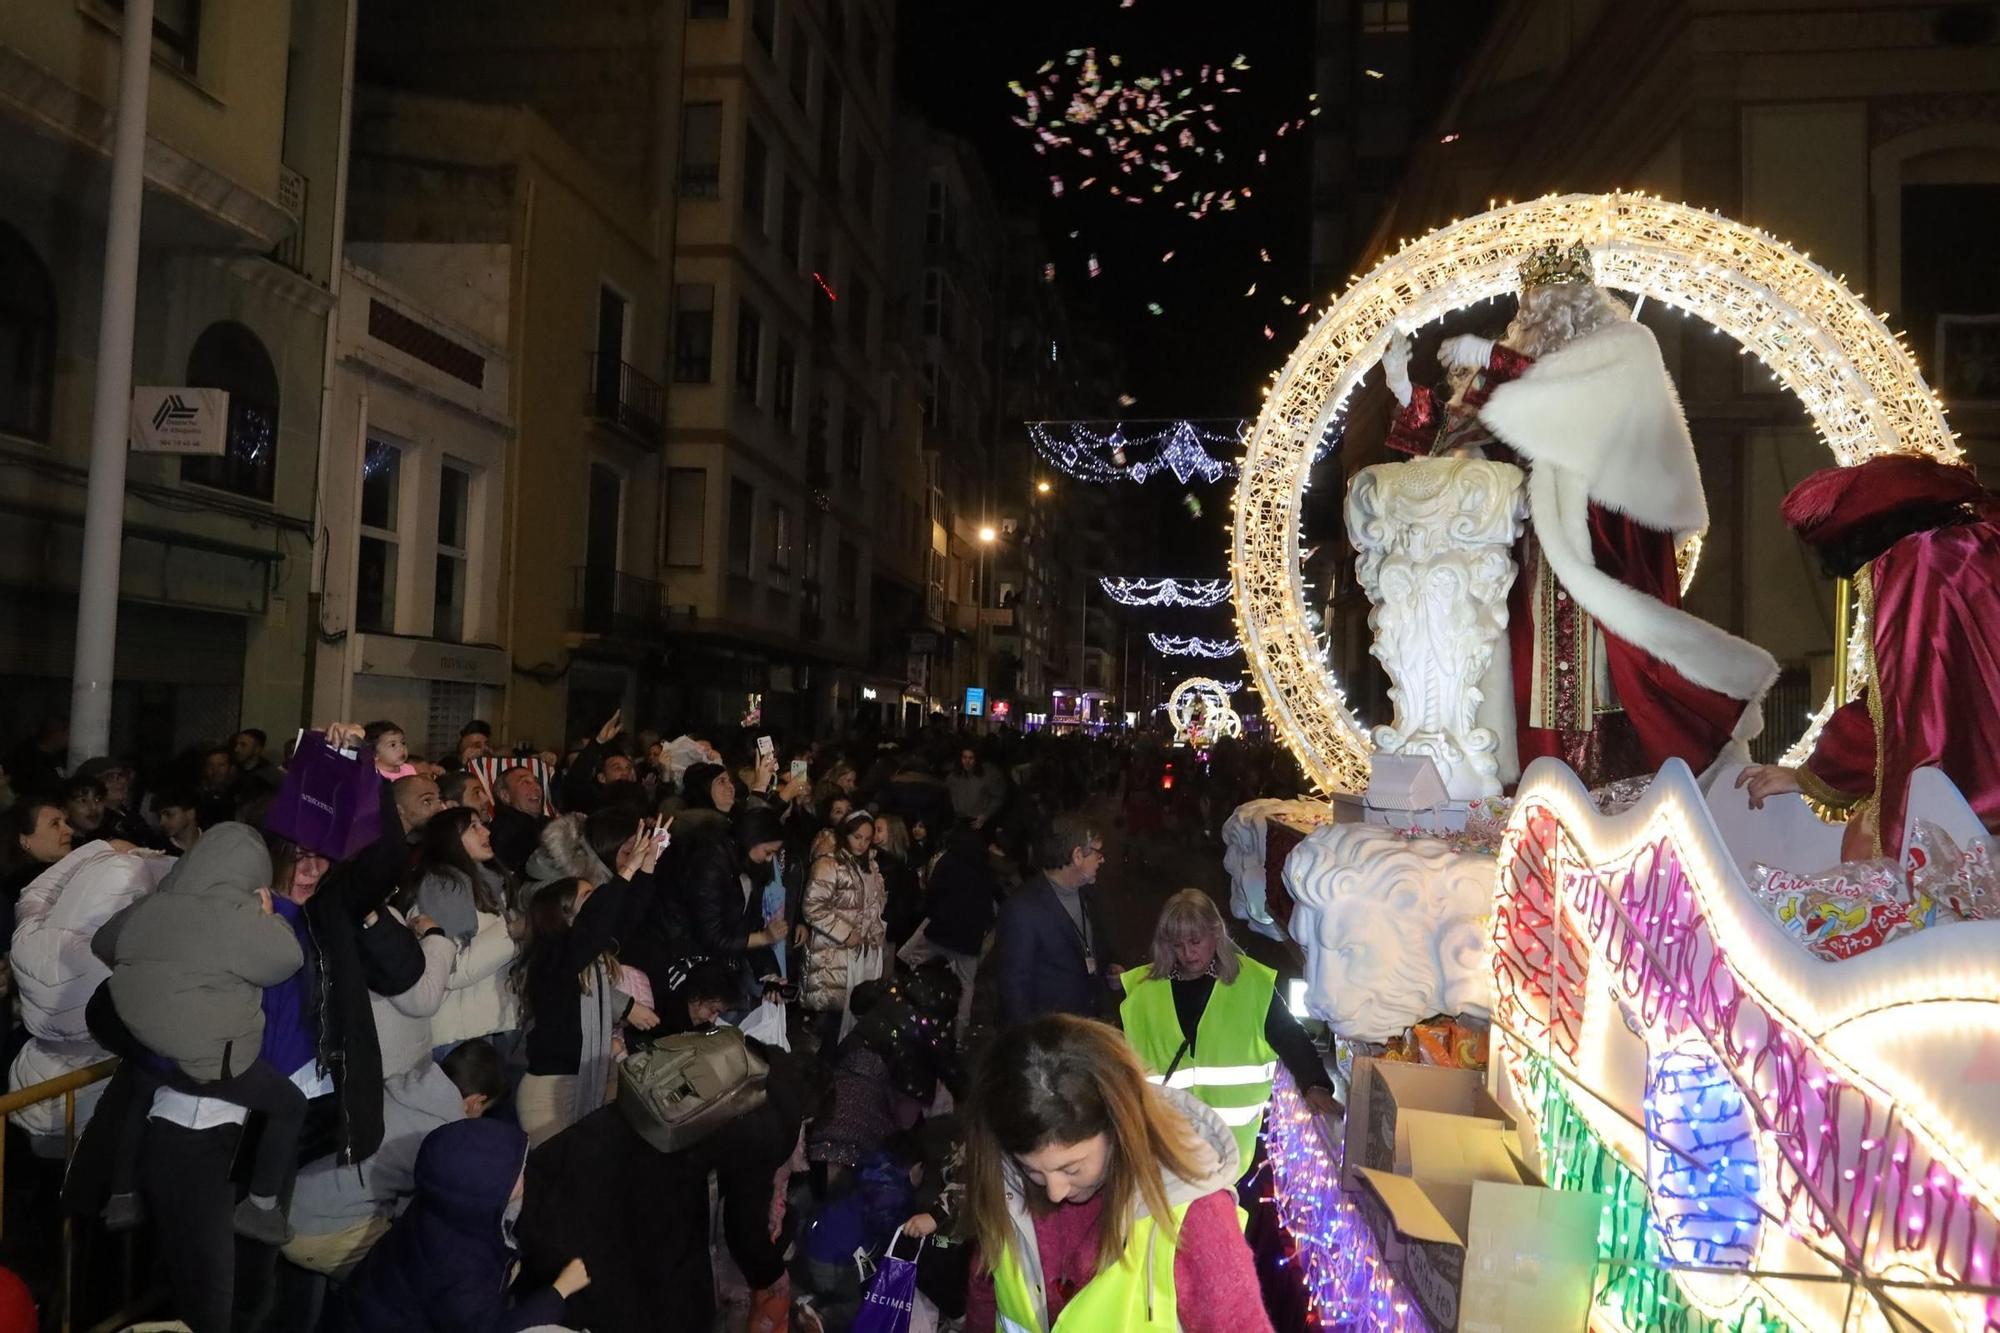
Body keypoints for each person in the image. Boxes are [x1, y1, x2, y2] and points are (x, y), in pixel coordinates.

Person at [1382, 241, 1777, 786]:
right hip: (1532, 547)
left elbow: (1580, 404)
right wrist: (1407, 392)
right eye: (1534, 298)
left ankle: (1624, 785)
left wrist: (1494, 358)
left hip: (1606, 536)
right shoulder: (1510, 374)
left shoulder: (1627, 348)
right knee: (1533, 672)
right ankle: (1541, 785)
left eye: (1556, 294)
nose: (1543, 307)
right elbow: (1451, 441)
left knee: (1617, 670)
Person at [1737, 454, 2000, 858]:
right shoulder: (1983, 545)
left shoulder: (1921, 564)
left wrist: (1812, 775)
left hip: (1976, 819)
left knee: (1867, 842)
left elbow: (1904, 708)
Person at [962, 1015, 1272, 1333]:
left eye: (1072, 1168)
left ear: (1118, 1130)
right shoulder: (1006, 1180)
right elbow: (986, 1296)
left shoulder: (1193, 1210)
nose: (1054, 1191)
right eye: (1032, 1170)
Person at [92, 823, 309, 1244]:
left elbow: (104, 943)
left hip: (153, 1042)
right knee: (289, 1106)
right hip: (216, 1059)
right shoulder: (240, 917)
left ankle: (122, 1195)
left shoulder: (155, 906)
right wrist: (269, 918)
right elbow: (286, 961)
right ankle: (261, 1209)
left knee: (140, 1086)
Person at [513, 1041, 807, 1333]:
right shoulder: (768, 1118)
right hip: (635, 1192)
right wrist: (772, 1275)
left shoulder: (735, 1050)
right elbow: (744, 1228)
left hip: (592, 1143)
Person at [1119, 890, 1340, 1175]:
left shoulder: (1252, 984)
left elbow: (1290, 1037)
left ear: (1216, 932)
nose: (1188, 954)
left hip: (1234, 1155)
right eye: (1177, 945)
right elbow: (1118, 1063)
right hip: (1166, 1152)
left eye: (1195, 942)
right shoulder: (1141, 993)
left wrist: (1315, 1084)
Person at [325, 1117, 591, 1332]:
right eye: (517, 1173)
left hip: (369, 1303)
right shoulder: (457, 1266)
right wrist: (559, 1291)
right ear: (479, 1194)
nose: (525, 1173)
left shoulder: (444, 1204)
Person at [7, 841, 172, 1152]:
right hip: (88, 1102)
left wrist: (99, 849)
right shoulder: (116, 968)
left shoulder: (29, 938)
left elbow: (35, 892)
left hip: (30, 1090)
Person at [511, 814, 664, 1147]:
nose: (598, 906)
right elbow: (596, 926)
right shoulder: (552, 955)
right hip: (551, 1092)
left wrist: (647, 867)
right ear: (563, 914)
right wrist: (624, 872)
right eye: (588, 900)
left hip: (588, 1080)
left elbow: (625, 917)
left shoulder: (589, 955)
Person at [413, 808, 521, 1059]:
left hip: (494, 1024)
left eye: (483, 824)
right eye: (473, 827)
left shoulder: (490, 883)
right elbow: (452, 970)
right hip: (461, 1035)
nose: (486, 831)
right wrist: (513, 931)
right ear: (449, 839)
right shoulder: (442, 887)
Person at [995, 815, 1119, 1027]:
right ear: (1078, 855)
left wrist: (1112, 965)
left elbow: (1097, 945)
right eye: (1098, 853)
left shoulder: (1089, 894)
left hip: (1089, 1025)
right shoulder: (1022, 909)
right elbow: (1014, 992)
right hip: (1053, 1037)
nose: (1102, 859)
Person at [900, 827, 1004, 1039]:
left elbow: (932, 893)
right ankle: (958, 1034)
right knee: (966, 985)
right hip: (968, 940)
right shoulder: (985, 870)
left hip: (940, 931)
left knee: (914, 963)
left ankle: (910, 1012)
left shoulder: (948, 862)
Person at [802, 809, 887, 1048]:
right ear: (845, 834)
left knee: (854, 1020)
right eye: (856, 837)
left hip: (863, 954)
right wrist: (845, 933)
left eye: (866, 839)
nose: (861, 844)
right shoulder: (829, 864)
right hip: (835, 953)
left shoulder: (870, 865)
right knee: (834, 1023)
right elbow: (812, 907)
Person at [0, 795, 71, 939]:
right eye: (55, 824)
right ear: (24, 840)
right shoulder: (25, 889)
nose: (69, 830)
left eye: (65, 822)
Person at [558, 711, 637, 816]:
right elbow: (577, 779)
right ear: (602, 778)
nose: (625, 772)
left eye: (628, 768)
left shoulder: (637, 799)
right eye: (617, 768)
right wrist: (598, 742)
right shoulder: (594, 802)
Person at [487, 764, 549, 875]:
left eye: (536, 782)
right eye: (525, 782)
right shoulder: (505, 833)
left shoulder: (546, 823)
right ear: (505, 796)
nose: (537, 787)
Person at [948, 745, 1007, 830]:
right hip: (959, 821)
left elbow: (998, 797)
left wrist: (985, 815)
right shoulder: (953, 777)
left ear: (976, 760)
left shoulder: (986, 776)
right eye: (964, 757)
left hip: (979, 821)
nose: (967, 761)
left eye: (971, 758)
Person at [231, 729, 285, 795]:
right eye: (237, 744)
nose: (236, 749)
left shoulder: (270, 776)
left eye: (243, 745)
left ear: (257, 749)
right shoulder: (232, 770)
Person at [153, 788, 201, 855]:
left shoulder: (212, 841)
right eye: (159, 816)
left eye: (168, 814)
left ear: (190, 813)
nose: (162, 822)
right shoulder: (159, 851)